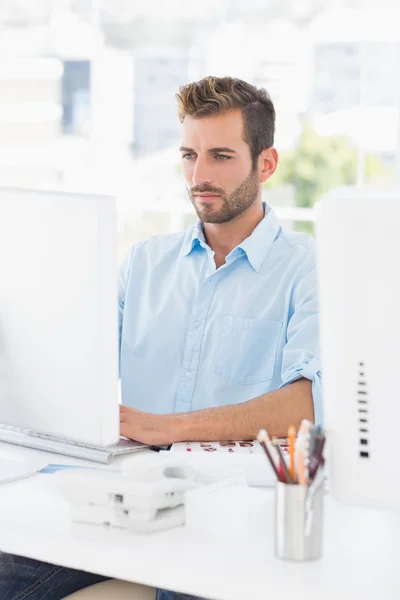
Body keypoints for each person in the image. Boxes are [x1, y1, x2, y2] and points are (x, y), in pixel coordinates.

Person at [0, 76, 322, 599]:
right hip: (129, 500)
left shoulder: (308, 269)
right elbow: (77, 359)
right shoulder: (146, 262)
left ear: (266, 164)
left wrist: (166, 428)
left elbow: (305, 407)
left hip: (233, 515)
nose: (199, 175)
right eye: (188, 155)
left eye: (221, 155)